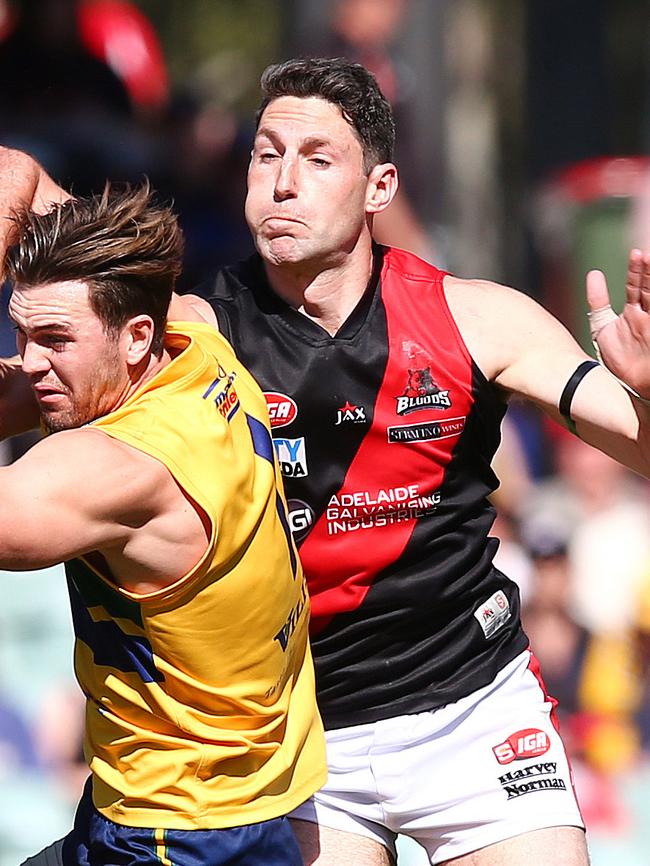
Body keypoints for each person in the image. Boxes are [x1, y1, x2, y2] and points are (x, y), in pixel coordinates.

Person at [2, 56, 650, 866]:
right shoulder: (191, 339)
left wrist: (647, 391)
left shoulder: (478, 318)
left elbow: (639, 446)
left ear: (380, 188)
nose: (281, 181)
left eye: (316, 159)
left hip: (474, 709)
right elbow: (19, 185)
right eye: (265, 154)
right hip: (310, 734)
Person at [0, 183, 325, 865]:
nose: (30, 362)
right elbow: (27, 181)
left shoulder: (119, 468)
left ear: (136, 336)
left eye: (55, 339)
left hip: (168, 831)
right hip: (246, 797)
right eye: (21, 334)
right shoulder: (199, 346)